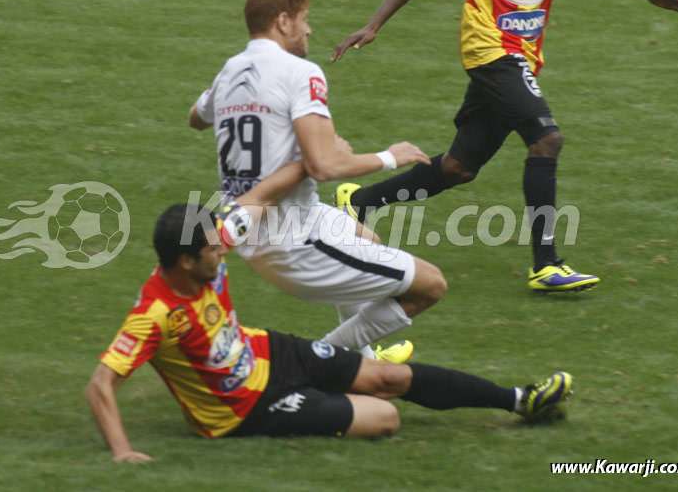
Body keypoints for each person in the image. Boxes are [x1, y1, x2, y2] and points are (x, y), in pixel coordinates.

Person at [86, 172, 574, 461]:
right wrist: (121, 452)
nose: (224, 250)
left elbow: (256, 200)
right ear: (186, 262)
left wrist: (309, 160)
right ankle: (319, 399)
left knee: (386, 375)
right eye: (214, 248)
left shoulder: (207, 252)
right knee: (384, 418)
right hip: (245, 411)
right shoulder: (154, 313)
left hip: (269, 352)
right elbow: (101, 385)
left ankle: (520, 400)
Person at [330, 0, 678, 293]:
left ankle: (359, 201)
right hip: (490, 50)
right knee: (547, 140)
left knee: (460, 168)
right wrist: (373, 25)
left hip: (524, 54)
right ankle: (546, 266)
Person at [187, 0, 448, 363]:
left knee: (367, 241)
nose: (309, 29)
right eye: (304, 19)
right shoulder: (301, 73)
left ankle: (363, 361)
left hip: (251, 225)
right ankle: (322, 363)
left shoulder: (230, 72)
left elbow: (196, 117)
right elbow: (323, 165)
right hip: (292, 238)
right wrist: (390, 156)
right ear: (282, 22)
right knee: (430, 286)